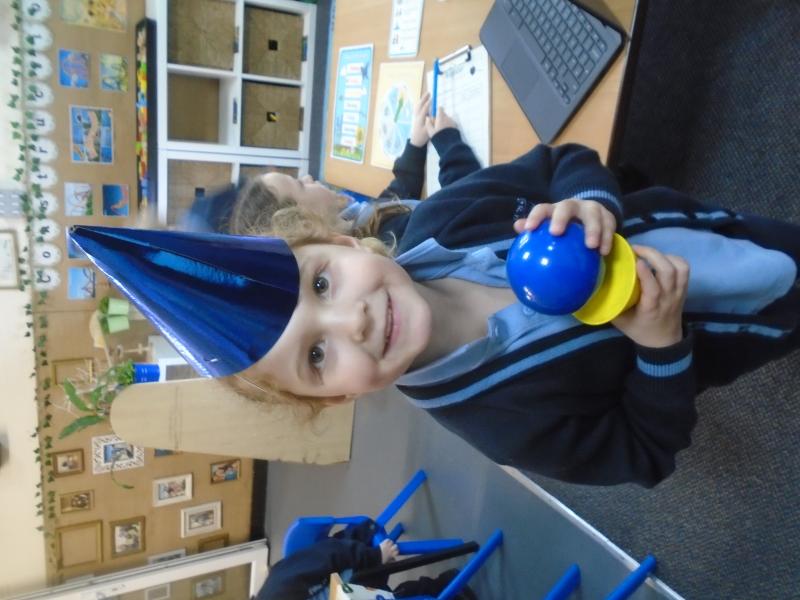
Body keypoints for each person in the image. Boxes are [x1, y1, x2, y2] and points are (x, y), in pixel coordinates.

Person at [70, 140, 800, 488]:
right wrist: (660, 347)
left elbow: (560, 161)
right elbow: (643, 454)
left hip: (706, 226)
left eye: (321, 285)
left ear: (338, 242)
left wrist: (589, 203)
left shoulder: (446, 217)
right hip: (754, 324)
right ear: (338, 398)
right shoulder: (502, 423)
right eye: (316, 357)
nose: (351, 324)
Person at [182, 93, 481, 247]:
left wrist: (415, 145)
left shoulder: (357, 225)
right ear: (305, 223)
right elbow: (470, 200)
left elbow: (393, 198)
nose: (308, 177)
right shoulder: (393, 239)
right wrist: (448, 142)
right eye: (300, 185)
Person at [256, 520, 476, 600]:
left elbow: (328, 553)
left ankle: (440, 587)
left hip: (357, 561)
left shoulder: (280, 587)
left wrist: (375, 556)